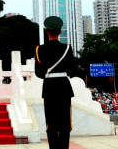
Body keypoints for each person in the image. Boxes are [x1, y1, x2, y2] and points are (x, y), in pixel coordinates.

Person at [35, 16, 77, 149]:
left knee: (51, 122)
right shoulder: (67, 48)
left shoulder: (39, 50)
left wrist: (49, 76)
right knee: (65, 122)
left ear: (46, 32)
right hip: (64, 87)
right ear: (60, 32)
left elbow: (38, 73)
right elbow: (72, 70)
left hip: (49, 88)